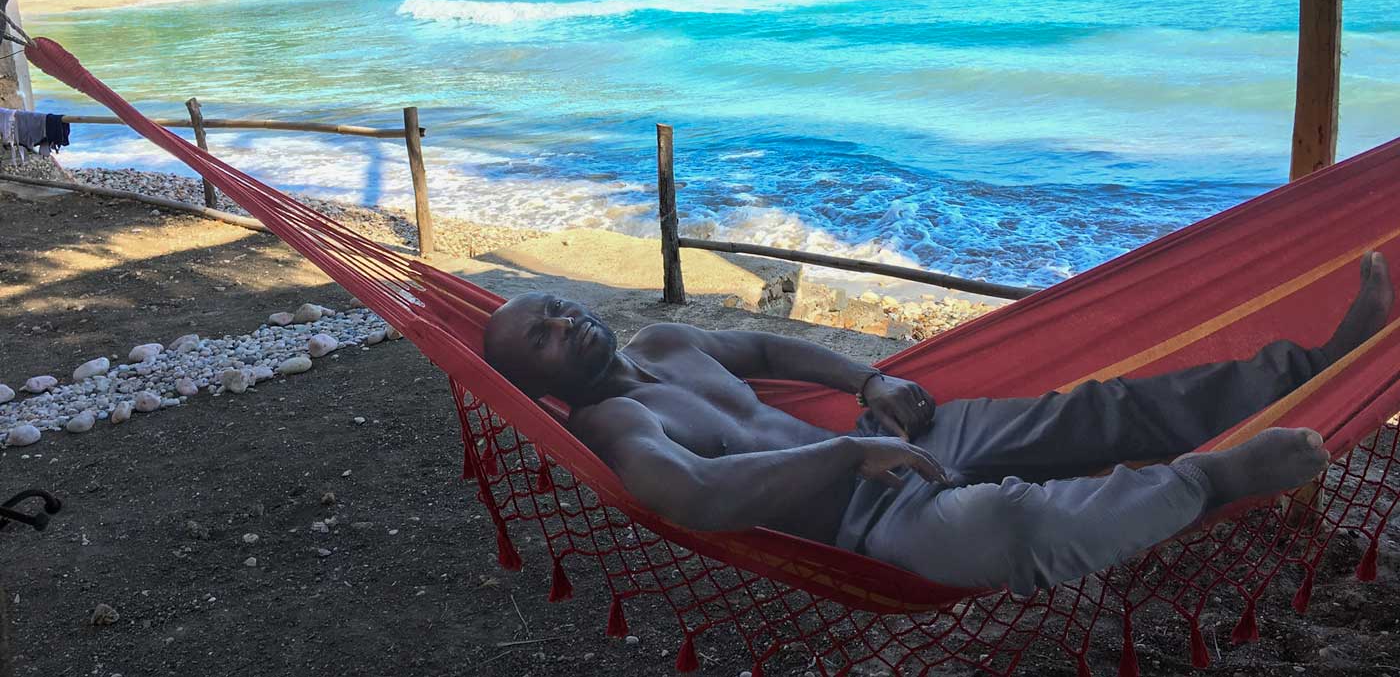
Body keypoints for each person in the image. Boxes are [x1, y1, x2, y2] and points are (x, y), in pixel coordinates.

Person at [483, 253, 1393, 596]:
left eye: (559, 306)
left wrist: (869, 378)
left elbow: (762, 350)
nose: (568, 320)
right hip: (866, 521)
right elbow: (694, 497)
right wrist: (847, 448)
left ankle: (1313, 369)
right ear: (538, 382)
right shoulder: (614, 425)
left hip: (915, 443)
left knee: (1094, 409)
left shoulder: (673, 340)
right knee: (1012, 526)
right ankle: (1211, 480)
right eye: (545, 336)